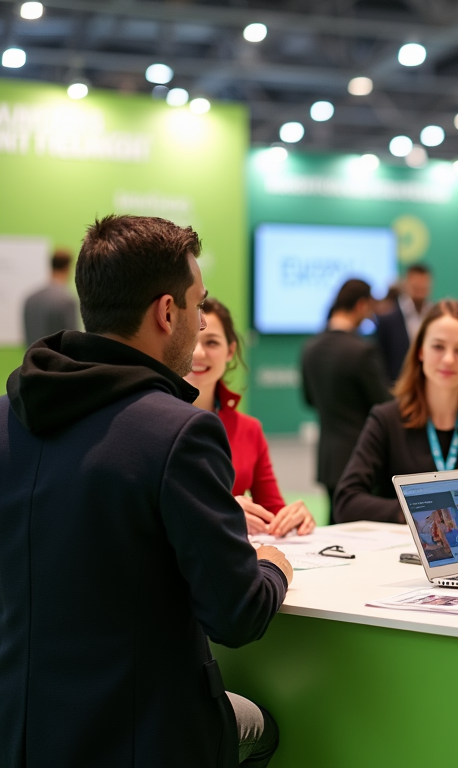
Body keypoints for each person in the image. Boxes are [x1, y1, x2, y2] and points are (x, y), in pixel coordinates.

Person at [0, 214, 292, 768]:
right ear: (166, 311)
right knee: (273, 728)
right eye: (198, 304)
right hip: (145, 736)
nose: (201, 319)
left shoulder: (7, 419)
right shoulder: (178, 432)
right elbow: (237, 615)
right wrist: (275, 566)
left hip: (23, 726)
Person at [333, 299, 458, 526]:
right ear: (420, 351)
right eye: (438, 347)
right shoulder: (386, 419)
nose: (449, 359)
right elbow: (346, 502)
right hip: (398, 556)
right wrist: (419, 513)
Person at [186, 297, 316, 538]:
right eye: (190, 341)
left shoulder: (249, 429)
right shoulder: (153, 422)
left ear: (230, 350)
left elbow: (272, 513)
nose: (199, 352)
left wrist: (294, 517)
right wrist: (222, 512)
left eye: (212, 342)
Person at [301, 279, 393, 500]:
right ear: (361, 305)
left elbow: (309, 400)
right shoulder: (362, 352)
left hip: (328, 460)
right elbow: (383, 406)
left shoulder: (310, 348)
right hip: (362, 459)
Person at [376, 263, 432, 382]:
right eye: (416, 287)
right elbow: (382, 361)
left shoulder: (434, 316)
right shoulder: (387, 318)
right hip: (398, 385)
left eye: (424, 287)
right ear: (407, 284)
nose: (420, 291)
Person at [22, 247, 79, 346]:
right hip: (57, 361)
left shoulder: (30, 298)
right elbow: (73, 341)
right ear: (67, 267)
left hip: (31, 359)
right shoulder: (66, 300)